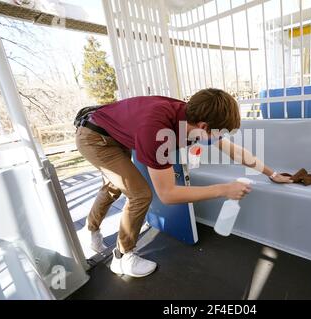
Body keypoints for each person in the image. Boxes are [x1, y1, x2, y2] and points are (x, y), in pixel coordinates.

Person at [75, 88, 292, 277]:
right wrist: (224, 189)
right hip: (95, 138)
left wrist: (271, 173)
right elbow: (168, 194)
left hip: (115, 131)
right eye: (220, 134)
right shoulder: (158, 132)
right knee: (139, 193)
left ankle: (91, 230)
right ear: (204, 125)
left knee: (114, 186)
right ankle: (122, 257)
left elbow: (234, 152)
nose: (220, 139)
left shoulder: (191, 115)